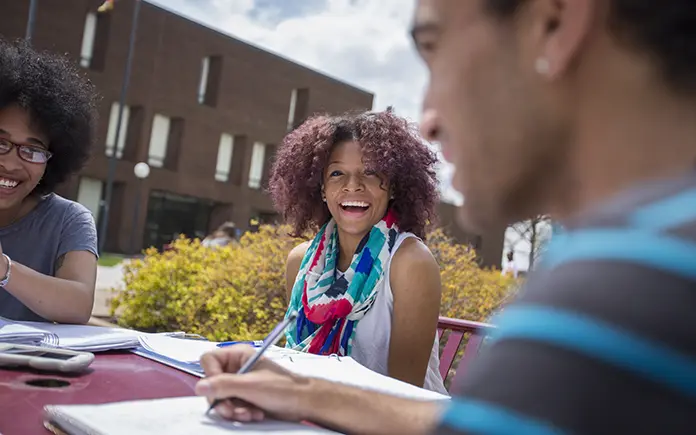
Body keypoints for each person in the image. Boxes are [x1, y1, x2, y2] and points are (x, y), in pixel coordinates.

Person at [195, 0, 696, 433]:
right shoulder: (635, 263)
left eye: (434, 50)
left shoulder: (630, 290)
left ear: (553, 22)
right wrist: (304, 392)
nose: (429, 118)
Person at [267, 109, 446, 393]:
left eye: (371, 172)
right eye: (337, 173)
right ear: (322, 188)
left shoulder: (411, 262)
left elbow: (405, 395)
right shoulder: (301, 262)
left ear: (394, 188)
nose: (353, 185)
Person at [0, 39, 98, 324]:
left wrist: (4, 269)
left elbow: (79, 304)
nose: (10, 163)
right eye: (0, 142)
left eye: (32, 150)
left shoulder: (68, 220)